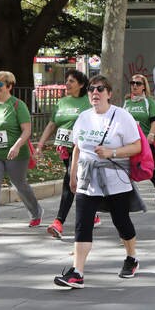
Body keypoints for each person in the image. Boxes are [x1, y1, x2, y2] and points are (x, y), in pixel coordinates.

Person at [53, 75, 143, 289]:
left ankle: (132, 257)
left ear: (109, 94)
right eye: (92, 89)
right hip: (87, 178)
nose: (95, 92)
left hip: (115, 178)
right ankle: (77, 272)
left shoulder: (122, 117)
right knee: (82, 224)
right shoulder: (83, 117)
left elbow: (136, 146)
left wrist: (113, 151)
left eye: (100, 89)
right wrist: (73, 174)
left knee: (121, 221)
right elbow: (77, 147)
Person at [0, 71, 43, 237]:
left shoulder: (18, 105)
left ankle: (36, 212)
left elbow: (27, 130)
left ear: (9, 86)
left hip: (16, 154)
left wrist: (17, 146)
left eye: (0, 84)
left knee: (20, 184)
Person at [36, 70, 97, 238]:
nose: (67, 84)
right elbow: (52, 124)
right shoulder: (62, 102)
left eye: (71, 81)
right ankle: (94, 214)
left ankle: (59, 222)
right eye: (67, 81)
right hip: (65, 150)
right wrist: (40, 144)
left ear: (81, 84)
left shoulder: (88, 101)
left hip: (82, 150)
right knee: (75, 181)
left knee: (70, 179)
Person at [123, 74, 155, 204]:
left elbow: (154, 121)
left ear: (144, 87)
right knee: (126, 168)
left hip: (144, 141)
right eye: (132, 83)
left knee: (147, 169)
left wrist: (151, 135)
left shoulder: (149, 102)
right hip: (129, 141)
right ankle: (125, 197)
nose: (134, 86)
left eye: (138, 83)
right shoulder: (127, 102)